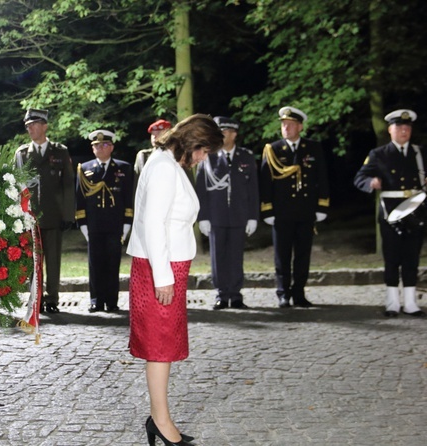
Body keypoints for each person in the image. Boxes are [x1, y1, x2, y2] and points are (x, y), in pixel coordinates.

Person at [127, 114, 223, 446]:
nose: (205, 158)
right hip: (160, 269)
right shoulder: (165, 168)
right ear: (194, 143)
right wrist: (163, 278)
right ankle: (161, 422)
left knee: (163, 346)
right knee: (160, 347)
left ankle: (160, 419)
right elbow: (153, 224)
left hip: (166, 268)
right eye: (205, 151)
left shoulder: (167, 163)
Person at [354, 109, 426, 317]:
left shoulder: (420, 153)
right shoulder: (379, 154)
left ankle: (411, 302)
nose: (404, 131)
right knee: (392, 258)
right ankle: (392, 302)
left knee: (412, 258)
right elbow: (359, 178)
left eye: (407, 127)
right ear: (390, 130)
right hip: (391, 213)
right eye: (399, 127)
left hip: (416, 212)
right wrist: (371, 182)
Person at [259, 106, 330, 308]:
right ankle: (283, 293)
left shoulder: (313, 148)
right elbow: (266, 182)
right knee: (282, 255)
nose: (286, 128)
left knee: (303, 254)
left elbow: (322, 178)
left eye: (290, 125)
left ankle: (299, 292)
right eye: (283, 125)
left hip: (306, 211)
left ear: (300, 126)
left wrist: (322, 206)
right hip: (282, 212)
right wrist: (267, 209)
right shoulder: (272, 150)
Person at [14, 108, 75, 313]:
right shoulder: (22, 154)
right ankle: (36, 298)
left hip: (53, 215)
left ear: (44, 126)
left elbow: (68, 185)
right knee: (34, 261)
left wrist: (68, 215)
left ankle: (52, 299)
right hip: (30, 217)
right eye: (28, 126)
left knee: (53, 260)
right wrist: (17, 216)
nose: (30, 128)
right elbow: (15, 186)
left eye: (34, 124)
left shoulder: (60, 152)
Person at [196, 116, 259, 310]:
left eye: (228, 132)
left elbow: (253, 189)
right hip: (216, 215)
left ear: (235, 134)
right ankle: (222, 294)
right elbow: (201, 189)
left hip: (239, 215)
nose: (224, 136)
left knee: (236, 256)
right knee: (218, 257)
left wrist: (253, 216)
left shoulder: (245, 156)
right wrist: (203, 217)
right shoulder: (208, 157)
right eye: (221, 132)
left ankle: (236, 294)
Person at [75, 130, 134, 312]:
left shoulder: (123, 168)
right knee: (95, 263)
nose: (101, 148)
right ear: (92, 149)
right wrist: (83, 224)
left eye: (105, 145)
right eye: (97, 145)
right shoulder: (84, 169)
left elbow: (127, 197)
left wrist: (127, 223)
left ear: (112, 147)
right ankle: (96, 300)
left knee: (113, 262)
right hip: (94, 224)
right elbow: (79, 198)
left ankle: (111, 301)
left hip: (115, 223)